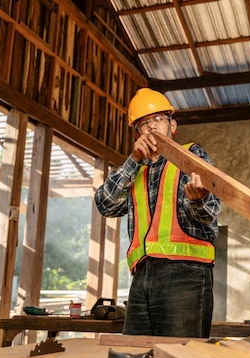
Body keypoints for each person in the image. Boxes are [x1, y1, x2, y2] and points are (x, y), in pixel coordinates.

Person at [94, 88, 221, 338]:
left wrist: (198, 200)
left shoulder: (191, 154)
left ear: (172, 125)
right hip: (141, 278)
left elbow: (210, 212)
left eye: (158, 120)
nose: (151, 127)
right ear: (137, 133)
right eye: (144, 123)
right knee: (135, 356)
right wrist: (134, 159)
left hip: (186, 275)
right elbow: (104, 204)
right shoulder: (135, 171)